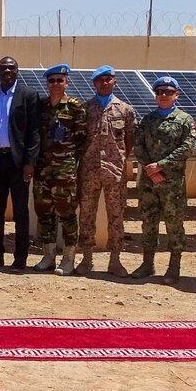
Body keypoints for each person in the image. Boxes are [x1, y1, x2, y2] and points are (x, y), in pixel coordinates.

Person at [132, 76, 196, 284]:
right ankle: (147, 263)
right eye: (160, 92)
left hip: (172, 183)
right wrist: (150, 169)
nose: (163, 96)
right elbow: (138, 146)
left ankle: (173, 266)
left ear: (176, 95)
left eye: (168, 92)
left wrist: (160, 166)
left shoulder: (185, 120)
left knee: (174, 223)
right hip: (149, 182)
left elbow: (186, 147)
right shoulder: (148, 120)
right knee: (148, 221)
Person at [76, 65, 137, 277]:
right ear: (94, 83)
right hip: (90, 171)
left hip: (115, 172)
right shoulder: (85, 109)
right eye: (100, 80)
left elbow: (129, 141)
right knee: (86, 215)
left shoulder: (125, 110)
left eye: (108, 79)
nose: (104, 83)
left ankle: (115, 260)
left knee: (116, 216)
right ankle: (86, 259)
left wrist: (118, 160)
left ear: (114, 82)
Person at [0, 56, 41, 271]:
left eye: (11, 68)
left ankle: (20, 257)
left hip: (18, 163)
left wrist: (30, 162)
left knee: (20, 211)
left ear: (17, 70)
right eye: (3, 68)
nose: (7, 71)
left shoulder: (28, 95)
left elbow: (34, 132)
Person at [34, 64, 88, 276]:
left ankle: (68, 258)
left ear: (66, 82)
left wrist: (70, 162)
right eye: (52, 80)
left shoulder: (75, 108)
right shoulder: (41, 106)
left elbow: (82, 139)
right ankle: (48, 256)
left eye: (60, 80)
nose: (55, 84)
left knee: (67, 214)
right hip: (43, 169)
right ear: (47, 83)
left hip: (64, 171)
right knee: (44, 213)